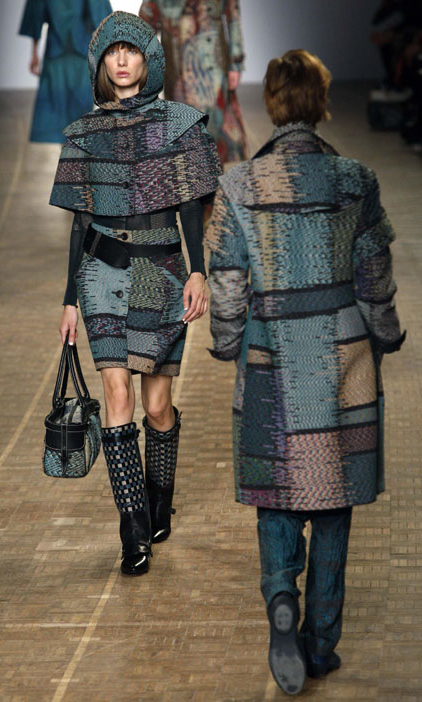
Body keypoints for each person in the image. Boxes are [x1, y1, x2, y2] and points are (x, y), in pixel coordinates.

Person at [205, 49, 405, 695]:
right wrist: (385, 335)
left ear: (272, 104)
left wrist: (229, 342)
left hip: (271, 355)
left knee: (277, 495)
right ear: (321, 103)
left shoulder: (238, 185)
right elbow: (374, 279)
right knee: (335, 500)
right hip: (343, 358)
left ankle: (279, 597)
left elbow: (226, 281)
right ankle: (319, 643)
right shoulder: (356, 180)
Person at [49, 11, 222, 576]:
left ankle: (158, 497)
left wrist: (198, 272)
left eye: (131, 50)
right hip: (101, 271)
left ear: (149, 59)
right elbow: (79, 222)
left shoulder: (179, 125)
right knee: (117, 395)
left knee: (156, 405)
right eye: (112, 52)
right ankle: (132, 528)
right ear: (101, 62)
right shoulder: (84, 134)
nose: (121, 60)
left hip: (161, 270)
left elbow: (191, 205)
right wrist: (70, 299)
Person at [138, 0, 248, 165]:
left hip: (212, 67)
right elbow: (146, 21)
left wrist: (236, 62)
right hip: (178, 69)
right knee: (183, 130)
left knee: (212, 129)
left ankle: (209, 173)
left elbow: (233, 16)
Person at [19, 0, 112, 143]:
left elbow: (35, 15)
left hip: (63, 51)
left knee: (65, 103)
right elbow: (103, 18)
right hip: (73, 50)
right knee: (72, 104)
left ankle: (72, 146)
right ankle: (73, 146)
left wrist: (34, 53)